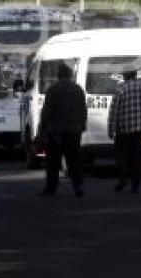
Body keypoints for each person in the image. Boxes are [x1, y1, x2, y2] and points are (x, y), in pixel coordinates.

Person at [38, 63, 87, 197]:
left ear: (58, 75)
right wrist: (82, 126)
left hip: (56, 131)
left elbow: (46, 112)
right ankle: (78, 186)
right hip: (74, 130)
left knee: (53, 161)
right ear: (70, 75)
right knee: (74, 160)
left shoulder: (53, 89)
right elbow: (83, 110)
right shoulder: (78, 90)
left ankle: (51, 188)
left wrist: (42, 131)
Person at [109, 68, 141, 193]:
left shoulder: (120, 90)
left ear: (124, 77)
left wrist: (111, 129)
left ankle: (123, 178)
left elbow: (114, 112)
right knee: (137, 156)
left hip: (124, 129)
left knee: (120, 155)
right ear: (135, 76)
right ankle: (136, 183)